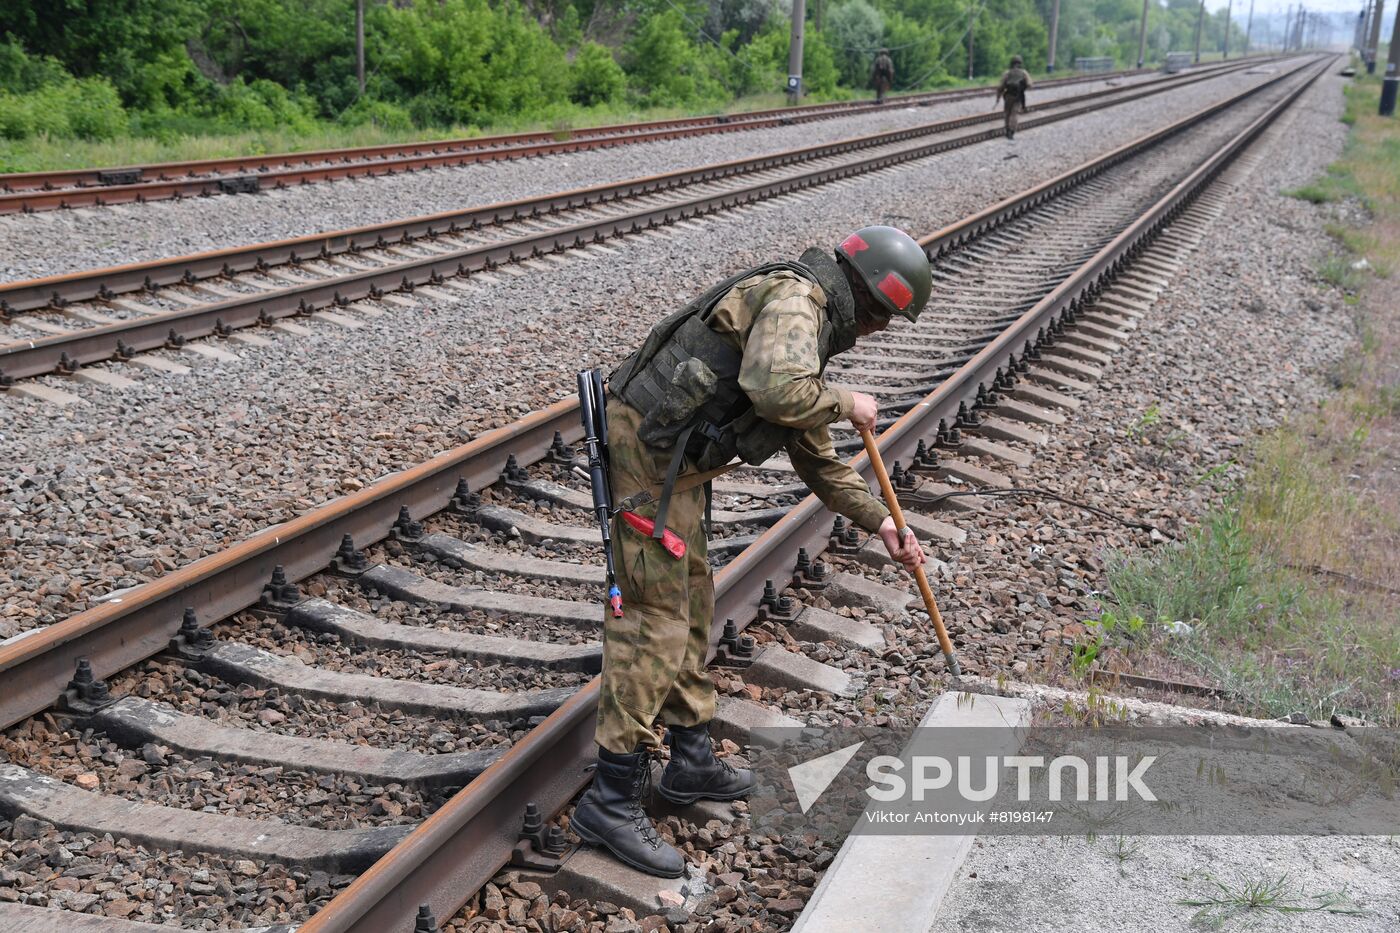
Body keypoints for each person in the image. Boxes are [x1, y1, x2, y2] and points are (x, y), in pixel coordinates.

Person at [570, 226, 934, 877]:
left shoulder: (810, 321)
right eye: (883, 317)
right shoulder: (797, 303)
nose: (877, 331)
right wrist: (847, 401)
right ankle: (611, 798)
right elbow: (775, 389)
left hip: (676, 465)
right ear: (867, 298)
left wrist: (881, 521)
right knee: (654, 619)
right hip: (649, 459)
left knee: (691, 602)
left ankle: (689, 761)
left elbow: (814, 453)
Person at [995, 54, 1032, 139]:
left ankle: (1007, 130)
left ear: (1011, 63)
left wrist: (998, 97)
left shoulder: (1007, 73)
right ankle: (1012, 131)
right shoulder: (1024, 73)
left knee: (1007, 113)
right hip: (1018, 96)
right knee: (1014, 114)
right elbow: (1030, 84)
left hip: (1008, 96)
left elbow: (1000, 87)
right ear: (1020, 63)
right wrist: (1022, 87)